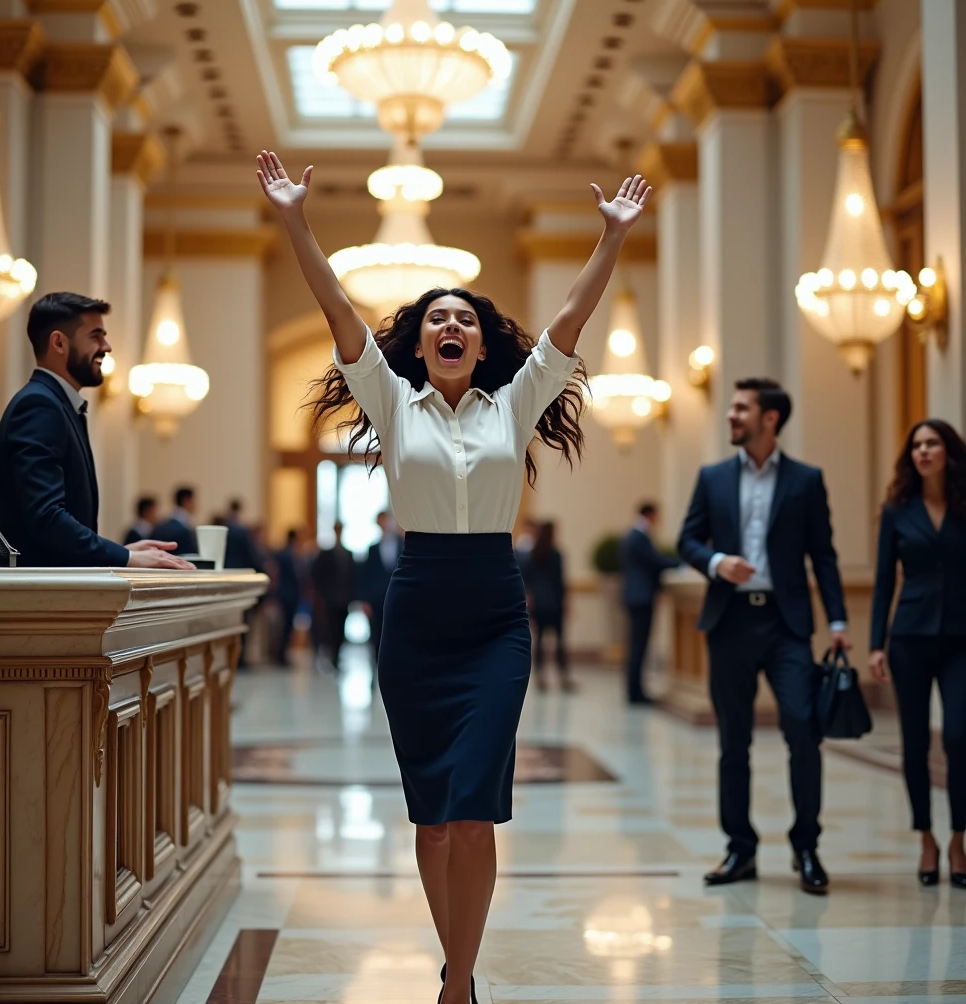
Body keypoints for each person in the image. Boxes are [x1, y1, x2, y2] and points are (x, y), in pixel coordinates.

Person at [257, 147, 650, 1004]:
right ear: (421, 341)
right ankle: (458, 968)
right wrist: (295, 218)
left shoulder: (516, 401)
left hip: (495, 618)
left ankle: (457, 984)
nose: (450, 326)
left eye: (464, 319)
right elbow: (336, 311)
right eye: (437, 317)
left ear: (479, 342)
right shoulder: (393, 401)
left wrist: (611, 237)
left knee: (474, 810)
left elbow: (571, 325)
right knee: (431, 822)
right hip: (418, 613)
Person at [678, 377, 849, 896]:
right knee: (734, 742)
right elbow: (686, 539)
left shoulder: (805, 480)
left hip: (786, 625)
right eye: (731, 408)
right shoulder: (712, 477)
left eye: (741, 408)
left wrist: (838, 622)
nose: (731, 416)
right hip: (729, 621)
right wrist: (715, 561)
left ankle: (806, 846)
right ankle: (740, 849)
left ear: (769, 419)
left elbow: (823, 554)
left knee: (803, 730)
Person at [0, 292, 193, 571]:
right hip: (43, 599)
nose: (107, 346)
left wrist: (119, 552)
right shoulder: (39, 406)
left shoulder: (58, 405)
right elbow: (46, 518)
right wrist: (125, 558)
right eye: (96, 336)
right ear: (59, 342)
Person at [869, 419, 966, 889]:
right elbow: (884, 580)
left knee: (959, 737)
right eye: (917, 445)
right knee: (913, 741)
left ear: (949, 452)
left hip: (960, 638)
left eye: (933, 443)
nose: (923, 451)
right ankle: (926, 837)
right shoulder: (896, 510)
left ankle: (958, 839)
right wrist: (874, 644)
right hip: (909, 636)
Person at [619, 502, 680, 705]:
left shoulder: (632, 535)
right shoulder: (639, 536)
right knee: (638, 646)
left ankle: (635, 690)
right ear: (651, 515)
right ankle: (635, 693)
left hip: (636, 596)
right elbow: (655, 560)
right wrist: (683, 563)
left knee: (637, 645)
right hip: (641, 597)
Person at [521, 520, 574, 693]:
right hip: (554, 602)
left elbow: (526, 577)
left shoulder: (533, 553)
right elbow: (560, 581)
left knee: (540, 640)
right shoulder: (556, 554)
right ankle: (563, 675)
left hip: (539, 603)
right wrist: (566, 602)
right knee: (559, 641)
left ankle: (540, 676)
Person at [359, 512, 404, 683]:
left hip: (398, 597)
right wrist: (365, 600)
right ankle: (378, 665)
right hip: (377, 599)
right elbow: (366, 575)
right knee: (377, 633)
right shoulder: (372, 548)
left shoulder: (403, 545)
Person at [310, 521, 357, 671]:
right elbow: (317, 575)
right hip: (330, 598)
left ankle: (337, 655)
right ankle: (332, 656)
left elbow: (353, 577)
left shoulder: (349, 554)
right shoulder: (326, 554)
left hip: (344, 598)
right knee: (331, 627)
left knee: (341, 629)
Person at [273, 528, 302, 667]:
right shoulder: (284, 554)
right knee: (284, 626)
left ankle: (284, 653)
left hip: (293, 595)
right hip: (286, 595)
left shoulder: (295, 554)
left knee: (289, 625)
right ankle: (280, 654)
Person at [152, 486, 199, 556]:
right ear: (187, 501)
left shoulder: (159, 526)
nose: (196, 504)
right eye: (194, 501)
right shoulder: (184, 530)